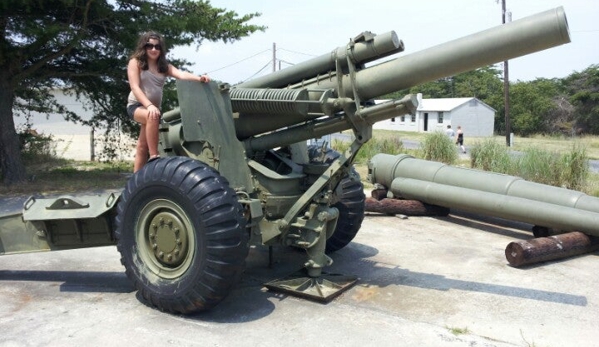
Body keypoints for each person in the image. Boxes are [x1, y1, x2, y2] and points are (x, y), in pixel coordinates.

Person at [127, 31, 211, 172]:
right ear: (144, 47)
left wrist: (199, 78)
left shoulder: (164, 66)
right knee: (152, 115)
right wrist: (149, 106)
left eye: (157, 47)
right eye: (150, 46)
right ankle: (154, 156)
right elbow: (135, 87)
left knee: (142, 146)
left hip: (152, 108)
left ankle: (135, 180)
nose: (153, 49)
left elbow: (181, 74)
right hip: (137, 106)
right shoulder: (135, 63)